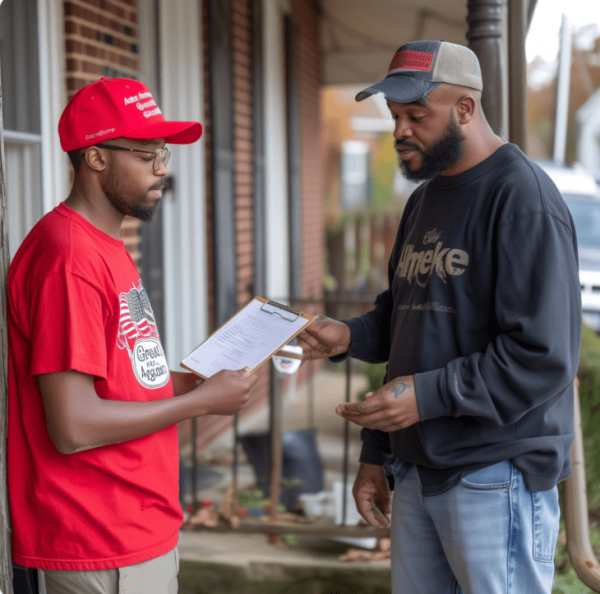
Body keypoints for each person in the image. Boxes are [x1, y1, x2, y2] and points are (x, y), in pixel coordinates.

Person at [298, 40, 581, 594]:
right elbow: (409, 319)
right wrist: (347, 339)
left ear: (465, 108)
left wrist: (425, 398)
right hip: (418, 470)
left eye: (415, 115)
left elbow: (543, 356)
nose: (400, 129)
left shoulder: (522, 199)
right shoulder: (424, 201)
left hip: (494, 474)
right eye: (394, 115)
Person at [6, 77, 257, 594]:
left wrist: (189, 385)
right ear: (96, 158)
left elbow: (115, 379)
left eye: (163, 153)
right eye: (147, 155)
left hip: (131, 526)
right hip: (97, 539)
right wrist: (200, 404)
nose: (163, 168)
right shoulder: (68, 259)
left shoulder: (103, 244)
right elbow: (73, 425)